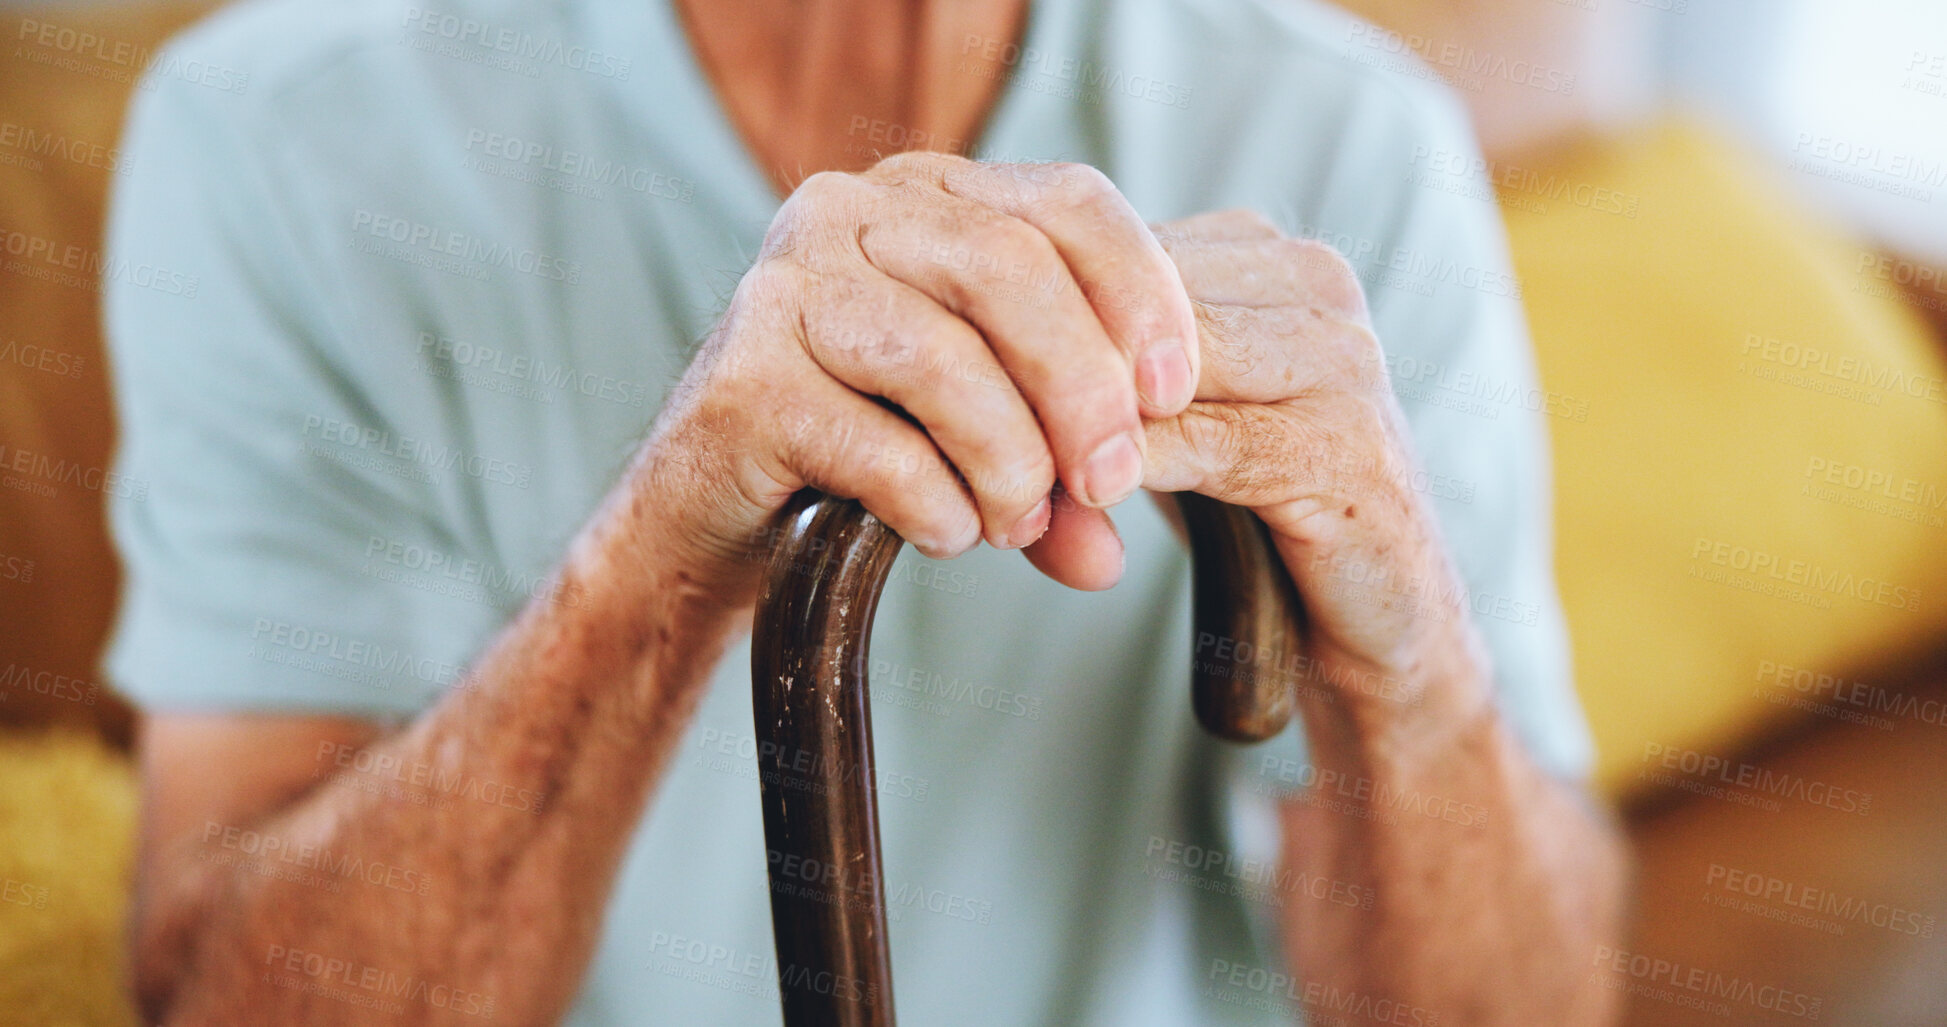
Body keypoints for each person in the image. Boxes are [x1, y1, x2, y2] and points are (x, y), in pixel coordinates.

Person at [105, 0, 1625, 1022]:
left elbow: (1545, 993)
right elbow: (229, 991)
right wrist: (660, 560)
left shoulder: (1353, 145)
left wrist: (1406, 678)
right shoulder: (277, 145)